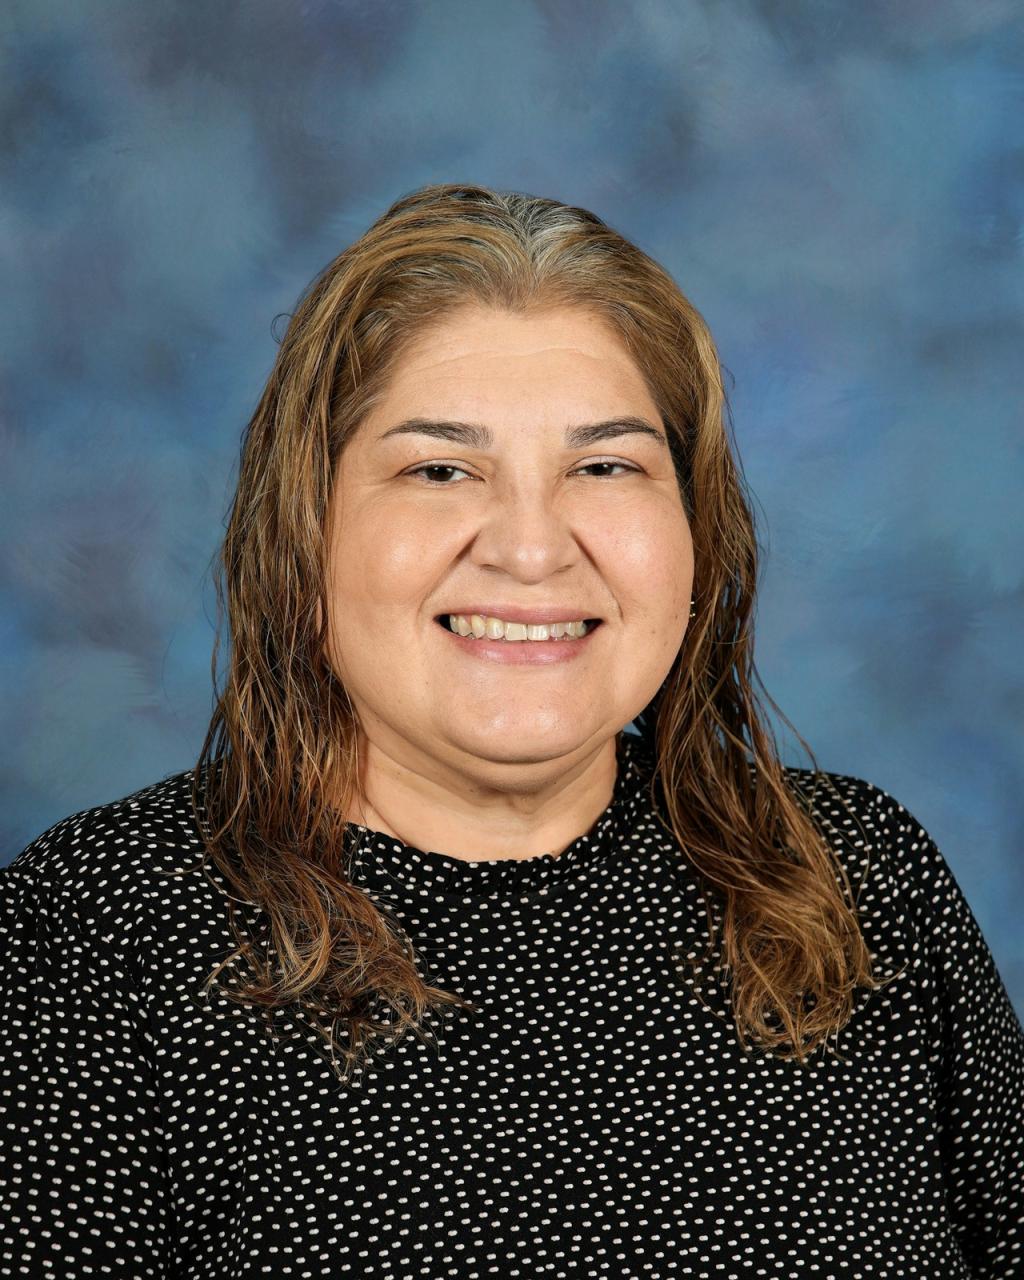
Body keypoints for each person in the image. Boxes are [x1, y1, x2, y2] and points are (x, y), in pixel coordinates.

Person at [1, 182, 1021, 1279]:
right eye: (440, 468)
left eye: (605, 465)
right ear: (305, 533)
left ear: (693, 531)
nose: (531, 549)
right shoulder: (90, 936)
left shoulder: (854, 876)